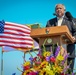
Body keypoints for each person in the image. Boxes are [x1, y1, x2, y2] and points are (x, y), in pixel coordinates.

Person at [46, 4, 76, 72]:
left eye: (60, 8)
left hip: (69, 52)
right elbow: (45, 35)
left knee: (68, 72)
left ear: (64, 10)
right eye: (57, 9)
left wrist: (74, 38)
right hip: (53, 54)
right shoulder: (50, 22)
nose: (58, 9)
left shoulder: (72, 20)